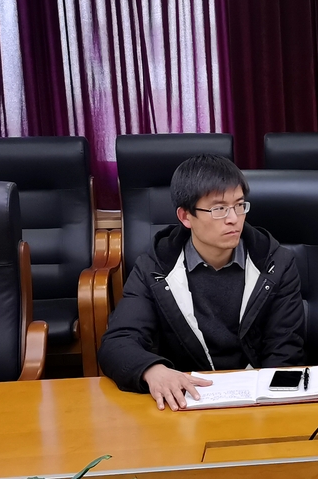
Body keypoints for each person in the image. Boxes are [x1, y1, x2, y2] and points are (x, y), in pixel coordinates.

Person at [99, 155, 305, 411]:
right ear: (186, 216)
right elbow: (118, 342)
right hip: (186, 401)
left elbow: (285, 350)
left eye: (240, 205)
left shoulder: (275, 264)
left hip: (257, 402)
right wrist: (152, 370)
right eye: (219, 209)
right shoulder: (155, 268)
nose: (233, 219)